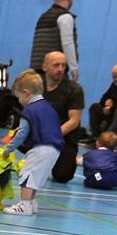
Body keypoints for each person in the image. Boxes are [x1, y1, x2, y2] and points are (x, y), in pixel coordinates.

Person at [4, 69, 64, 217]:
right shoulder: (48, 107)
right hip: (55, 149)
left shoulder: (29, 110)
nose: (19, 101)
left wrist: (8, 149)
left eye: (18, 97)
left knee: (27, 174)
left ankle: (24, 206)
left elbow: (21, 134)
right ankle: (31, 203)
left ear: (26, 93)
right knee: (36, 176)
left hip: (41, 148)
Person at [40, 50, 85, 183]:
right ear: (45, 67)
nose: (60, 69)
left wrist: (51, 136)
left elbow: (74, 121)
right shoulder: (37, 86)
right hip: (42, 133)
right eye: (56, 65)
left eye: (63, 65)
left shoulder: (74, 90)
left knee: (62, 176)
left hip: (65, 138)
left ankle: (68, 158)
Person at [29, 0, 78, 81]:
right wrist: (74, 67)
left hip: (37, 70)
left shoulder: (43, 17)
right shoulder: (65, 16)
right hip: (55, 71)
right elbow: (67, 43)